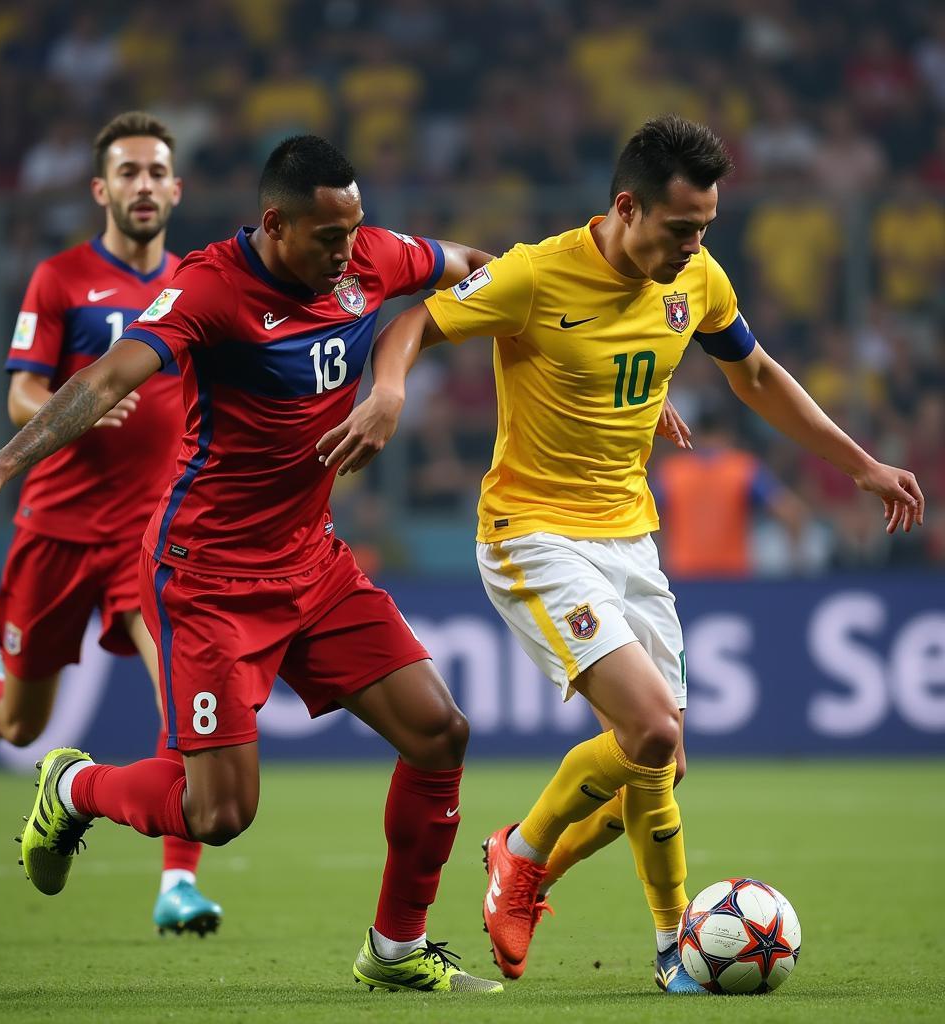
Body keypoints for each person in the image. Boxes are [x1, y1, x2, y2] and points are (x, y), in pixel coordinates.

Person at [315, 115, 924, 993]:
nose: (695, 247)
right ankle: (526, 857)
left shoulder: (695, 279)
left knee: (660, 759)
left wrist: (859, 464)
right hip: (532, 532)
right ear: (627, 207)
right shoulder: (533, 272)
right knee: (651, 728)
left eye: (706, 228)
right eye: (681, 229)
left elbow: (753, 374)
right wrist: (390, 392)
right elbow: (411, 323)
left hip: (628, 536)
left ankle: (645, 930)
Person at [0, 135, 507, 994]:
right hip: (210, 575)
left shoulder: (370, 256)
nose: (348, 251)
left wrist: (392, 380)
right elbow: (107, 377)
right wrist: (2, 465)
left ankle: (395, 950)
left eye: (355, 230)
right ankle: (76, 788)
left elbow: (479, 272)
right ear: (275, 224)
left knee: (439, 732)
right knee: (222, 814)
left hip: (313, 561)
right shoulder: (211, 287)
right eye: (327, 236)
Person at [0, 111, 222, 937]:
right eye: (128, 172)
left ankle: (176, 885)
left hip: (153, 538)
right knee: (20, 724)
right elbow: (20, 392)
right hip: (57, 531)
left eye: (156, 172)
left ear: (175, 189)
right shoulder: (62, 279)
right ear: (101, 188)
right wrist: (72, 409)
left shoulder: (196, 284)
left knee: (185, 702)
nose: (142, 185)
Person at [653, 406, 809, 578]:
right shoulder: (742, 469)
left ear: (693, 433)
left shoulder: (673, 471)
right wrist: (796, 568)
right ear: (727, 434)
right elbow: (791, 513)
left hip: (684, 574)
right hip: (732, 576)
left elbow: (647, 515)